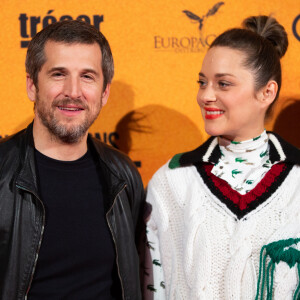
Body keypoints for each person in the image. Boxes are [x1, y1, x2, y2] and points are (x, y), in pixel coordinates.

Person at [146, 15, 300, 299]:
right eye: (202, 82)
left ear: (267, 92)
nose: (205, 95)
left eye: (223, 84)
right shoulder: (172, 180)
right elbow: (154, 287)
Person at [0, 20, 145, 299]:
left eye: (87, 76)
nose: (73, 91)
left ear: (104, 93)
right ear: (32, 85)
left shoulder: (123, 175)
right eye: (58, 74)